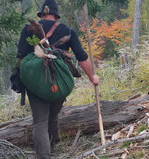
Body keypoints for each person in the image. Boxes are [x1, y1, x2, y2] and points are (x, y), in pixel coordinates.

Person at [16, 0, 100, 158]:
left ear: (42, 14)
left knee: (40, 121)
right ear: (56, 15)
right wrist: (92, 77)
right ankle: (52, 147)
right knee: (53, 115)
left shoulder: (28, 29)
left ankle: (44, 155)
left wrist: (20, 80)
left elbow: (20, 57)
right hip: (59, 79)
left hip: (35, 81)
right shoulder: (67, 31)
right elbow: (82, 58)